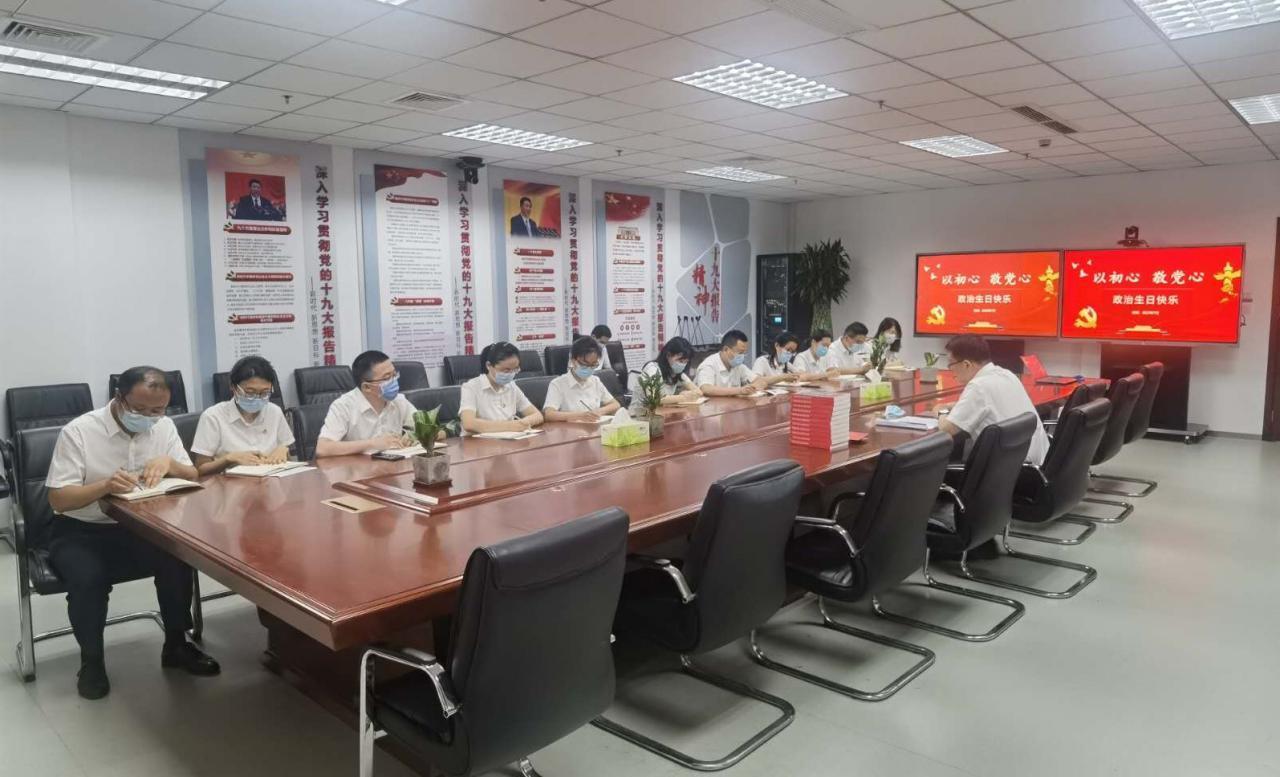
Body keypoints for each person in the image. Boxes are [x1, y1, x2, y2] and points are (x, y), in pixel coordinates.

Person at [45, 366, 219, 700]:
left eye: (158, 410)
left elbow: (193, 473)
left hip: (142, 525)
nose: (149, 417)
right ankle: (92, 662)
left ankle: (176, 644)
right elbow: (58, 499)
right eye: (139, 409)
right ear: (119, 398)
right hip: (82, 530)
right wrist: (104, 486)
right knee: (88, 578)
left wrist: (169, 463)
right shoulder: (79, 432)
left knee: (177, 558)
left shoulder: (163, 426)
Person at [938, 334, 1050, 466]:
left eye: (950, 364)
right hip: (1039, 465)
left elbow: (946, 430)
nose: (950, 369)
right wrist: (954, 405)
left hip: (1013, 471)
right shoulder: (1007, 374)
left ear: (966, 364)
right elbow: (991, 403)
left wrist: (941, 411)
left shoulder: (978, 386)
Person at [191, 356, 293, 475]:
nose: (257, 398)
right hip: (230, 483)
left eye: (265, 393)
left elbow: (288, 458)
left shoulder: (274, 411)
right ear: (233, 387)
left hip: (271, 480)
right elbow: (200, 469)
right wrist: (228, 459)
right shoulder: (213, 416)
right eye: (250, 392)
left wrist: (284, 450)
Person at [315, 350, 422, 457]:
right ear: (367, 387)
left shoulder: (399, 401)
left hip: (393, 464)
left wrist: (411, 437)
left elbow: (424, 427)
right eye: (387, 378)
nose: (394, 381)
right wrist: (373, 444)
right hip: (356, 466)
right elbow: (322, 448)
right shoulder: (343, 406)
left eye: (394, 375)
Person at [460, 341, 545, 434]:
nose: (511, 374)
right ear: (489, 365)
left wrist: (522, 424)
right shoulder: (471, 387)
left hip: (509, 439)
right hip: (478, 442)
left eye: (515, 369)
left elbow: (537, 415)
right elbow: (469, 423)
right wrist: (511, 426)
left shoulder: (511, 386)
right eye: (506, 370)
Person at [543, 337, 622, 422]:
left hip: (594, 427)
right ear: (573, 361)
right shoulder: (558, 384)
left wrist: (599, 411)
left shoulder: (595, 381)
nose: (589, 368)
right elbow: (549, 414)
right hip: (570, 429)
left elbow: (615, 404)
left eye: (593, 365)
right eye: (585, 364)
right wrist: (580, 416)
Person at [630, 336, 702, 406]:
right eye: (680, 361)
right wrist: (682, 397)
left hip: (661, 411)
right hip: (640, 411)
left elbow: (699, 392)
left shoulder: (676, 372)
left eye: (685, 362)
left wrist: (691, 394)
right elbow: (654, 398)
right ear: (668, 355)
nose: (682, 365)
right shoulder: (652, 369)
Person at [695, 330, 769, 396]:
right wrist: (739, 390)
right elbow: (706, 389)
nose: (742, 356)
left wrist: (752, 387)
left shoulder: (739, 366)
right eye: (740, 352)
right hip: (711, 406)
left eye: (744, 353)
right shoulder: (709, 364)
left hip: (733, 405)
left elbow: (761, 381)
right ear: (726, 349)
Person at [751, 331, 818, 386]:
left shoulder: (787, 364)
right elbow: (756, 381)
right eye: (788, 350)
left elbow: (801, 375)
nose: (790, 354)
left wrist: (797, 376)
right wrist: (782, 378)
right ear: (777, 345)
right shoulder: (762, 361)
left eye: (792, 352)